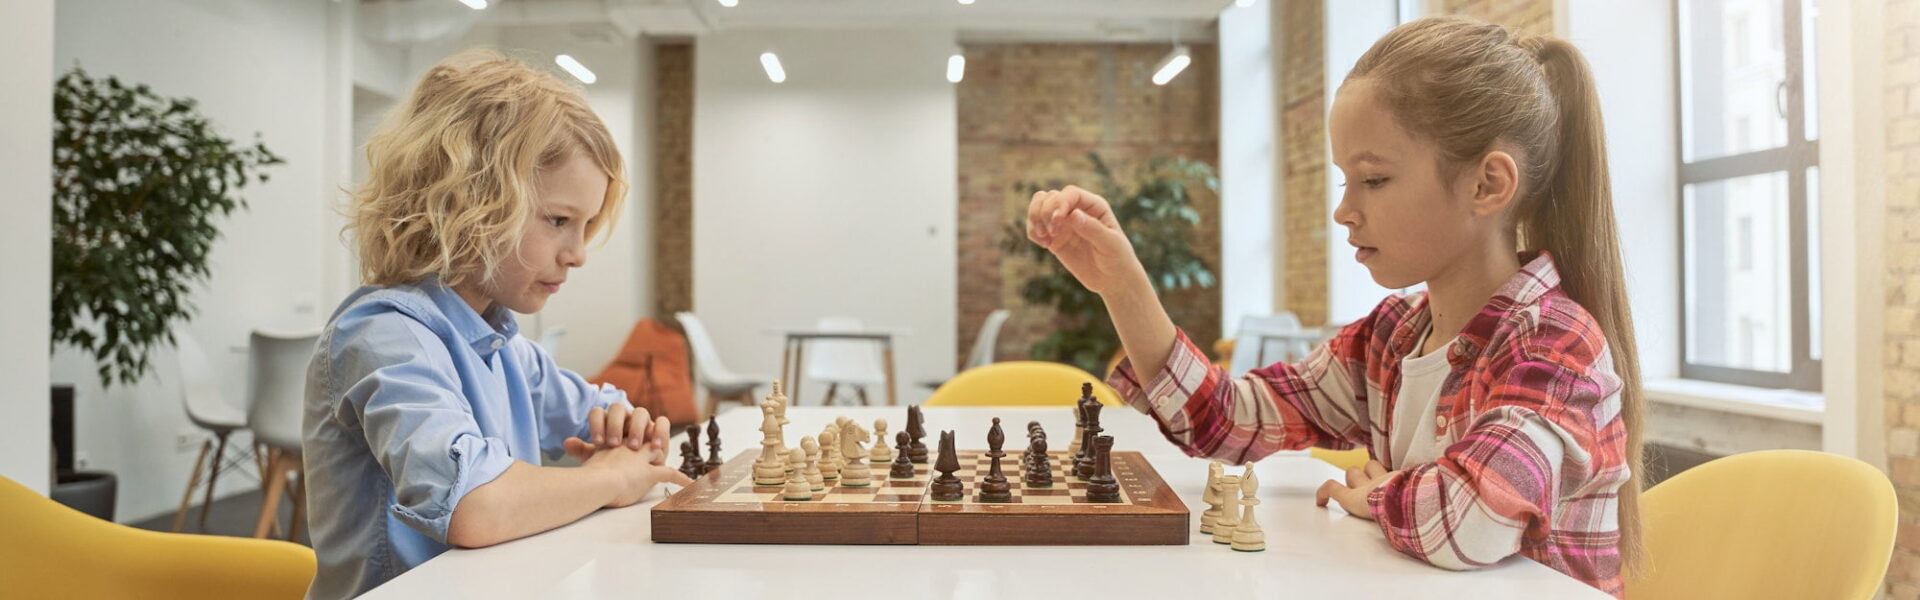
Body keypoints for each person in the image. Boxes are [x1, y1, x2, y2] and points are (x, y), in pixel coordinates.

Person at [1027, 17, 1642, 597]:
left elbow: (1472, 520)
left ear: (1487, 185)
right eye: (1344, 179)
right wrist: (1123, 284)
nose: (1344, 210)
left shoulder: (1553, 344)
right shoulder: (1393, 338)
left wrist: (1382, 493)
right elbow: (1225, 419)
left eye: (1373, 180)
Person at [302, 49, 691, 599]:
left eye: (585, 226)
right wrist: (606, 478)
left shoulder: (503, 343)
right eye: (558, 221)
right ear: (467, 202)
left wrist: (625, 425)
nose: (578, 254)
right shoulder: (383, 335)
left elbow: (596, 414)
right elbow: (473, 506)